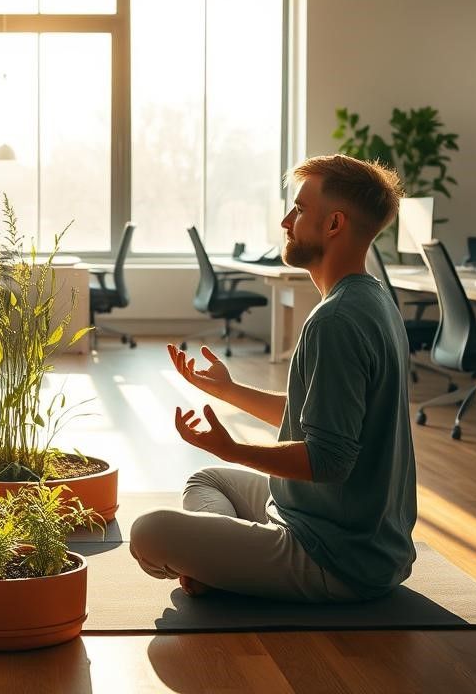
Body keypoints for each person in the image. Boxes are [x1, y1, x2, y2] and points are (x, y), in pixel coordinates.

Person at [129, 154, 417, 602]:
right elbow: (323, 415)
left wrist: (235, 449)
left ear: (335, 224)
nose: (286, 220)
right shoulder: (372, 299)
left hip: (334, 557)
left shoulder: (335, 320)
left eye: (299, 210)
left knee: (148, 532)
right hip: (348, 532)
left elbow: (329, 460)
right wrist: (228, 390)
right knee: (207, 480)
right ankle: (227, 563)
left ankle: (224, 565)